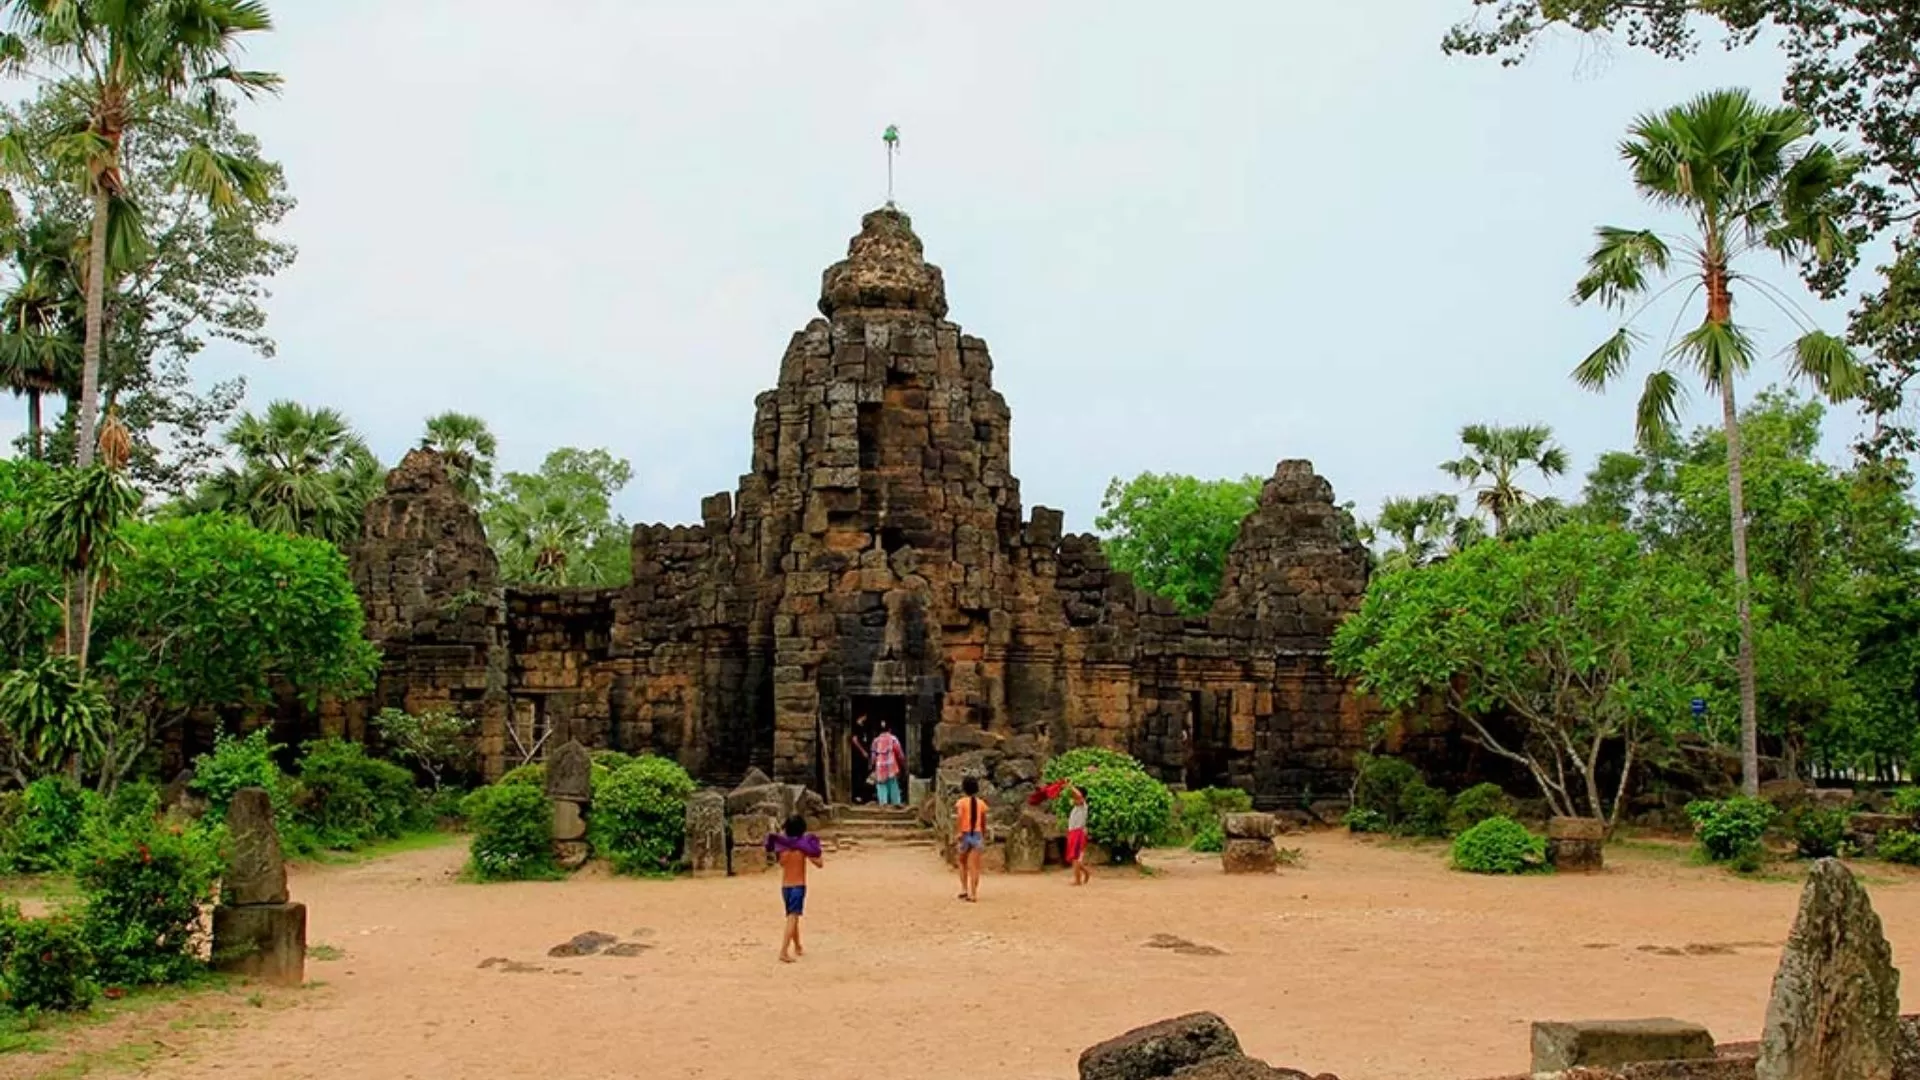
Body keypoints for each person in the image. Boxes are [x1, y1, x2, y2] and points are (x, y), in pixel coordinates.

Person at [765, 815, 824, 963]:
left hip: (785, 886)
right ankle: (783, 951)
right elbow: (819, 863)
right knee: (793, 917)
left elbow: (782, 863)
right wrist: (810, 852)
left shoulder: (782, 848)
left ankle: (797, 945)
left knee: (792, 916)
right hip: (798, 885)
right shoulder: (802, 847)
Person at [954, 776, 987, 902]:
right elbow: (984, 820)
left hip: (965, 834)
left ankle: (964, 889)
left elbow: (960, 817)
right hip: (977, 834)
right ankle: (973, 893)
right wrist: (983, 833)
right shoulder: (981, 803)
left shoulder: (961, 802)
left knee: (962, 862)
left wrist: (959, 832)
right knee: (975, 866)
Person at [870, 721, 906, 807]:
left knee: (881, 784)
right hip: (891, 765)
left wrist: (872, 765)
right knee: (893, 783)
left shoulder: (876, 741)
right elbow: (899, 753)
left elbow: (873, 756)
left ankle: (883, 803)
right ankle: (896, 802)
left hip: (880, 766)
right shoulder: (893, 739)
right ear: (889, 730)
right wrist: (903, 763)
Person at [1066, 783, 1092, 886]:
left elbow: (1079, 795)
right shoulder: (1077, 807)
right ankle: (1085, 872)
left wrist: (1069, 786)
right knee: (1074, 858)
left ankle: (1078, 880)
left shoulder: (1083, 805)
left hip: (1078, 833)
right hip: (1073, 832)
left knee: (1075, 858)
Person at [849, 715, 873, 804]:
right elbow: (854, 740)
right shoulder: (856, 727)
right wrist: (862, 751)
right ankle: (857, 795)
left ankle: (863, 796)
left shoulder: (864, 728)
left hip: (864, 757)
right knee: (858, 775)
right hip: (858, 757)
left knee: (864, 775)